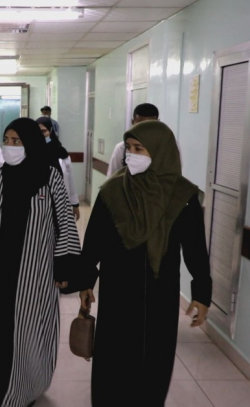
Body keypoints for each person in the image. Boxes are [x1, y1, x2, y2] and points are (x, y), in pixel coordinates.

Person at [77, 120, 212, 406]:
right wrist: (86, 280)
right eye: (128, 148)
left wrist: (202, 293)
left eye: (139, 149)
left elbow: (195, 250)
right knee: (113, 359)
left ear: (160, 151)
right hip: (118, 289)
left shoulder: (183, 197)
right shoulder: (113, 190)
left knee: (154, 360)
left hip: (160, 292)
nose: (131, 155)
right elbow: (94, 240)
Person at [0, 118, 81, 407]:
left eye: (17, 141)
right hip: (3, 273)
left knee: (33, 331)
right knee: (5, 331)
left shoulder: (50, 177)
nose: (10, 146)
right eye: (7, 140)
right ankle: (6, 389)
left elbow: (65, 224)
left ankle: (33, 383)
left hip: (39, 273)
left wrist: (65, 268)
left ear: (30, 143)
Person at [106, 103, 178, 177]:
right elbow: (112, 178)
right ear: (132, 122)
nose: (144, 130)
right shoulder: (121, 149)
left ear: (157, 123)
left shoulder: (168, 148)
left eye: (149, 126)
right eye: (140, 125)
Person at [36, 116, 80, 221]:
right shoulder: (31, 154)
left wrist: (75, 204)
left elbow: (70, 180)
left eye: (43, 131)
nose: (40, 135)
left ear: (50, 131)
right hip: (38, 205)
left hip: (60, 203)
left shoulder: (62, 153)